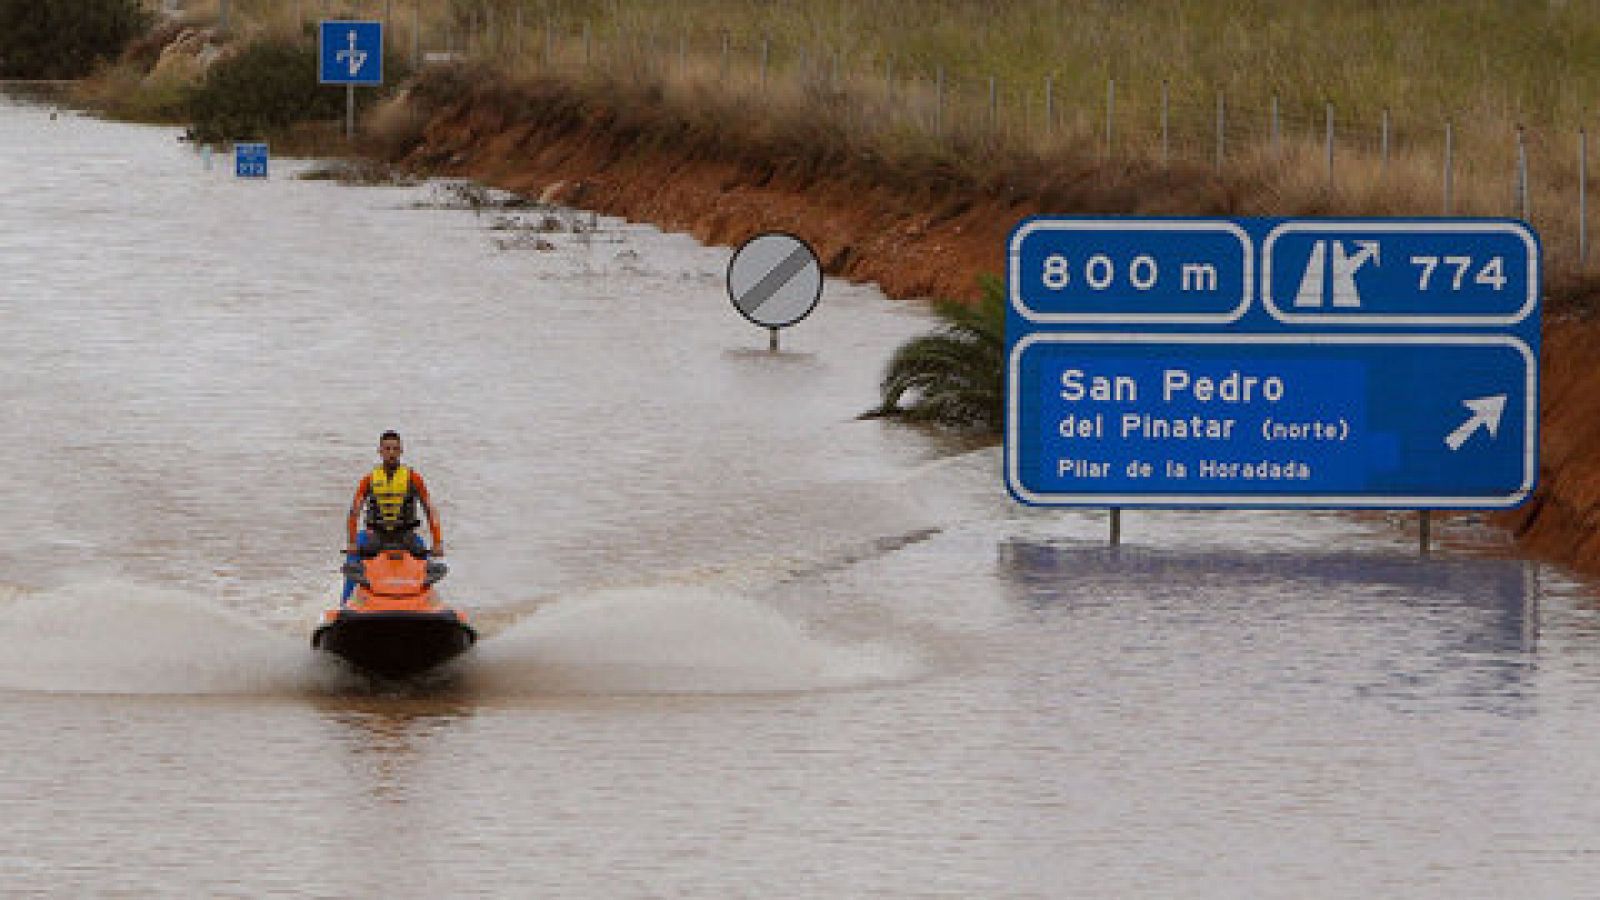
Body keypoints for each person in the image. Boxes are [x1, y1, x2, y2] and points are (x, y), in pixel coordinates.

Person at [341, 430, 445, 604]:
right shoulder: (368, 480)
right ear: (380, 451)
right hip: (374, 534)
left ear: (401, 451)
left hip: (405, 535)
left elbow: (430, 510)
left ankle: (428, 603)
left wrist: (437, 543)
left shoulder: (414, 478)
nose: (391, 453)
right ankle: (345, 605)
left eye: (395, 449)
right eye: (387, 449)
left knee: (425, 561)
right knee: (353, 562)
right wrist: (351, 542)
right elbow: (354, 511)